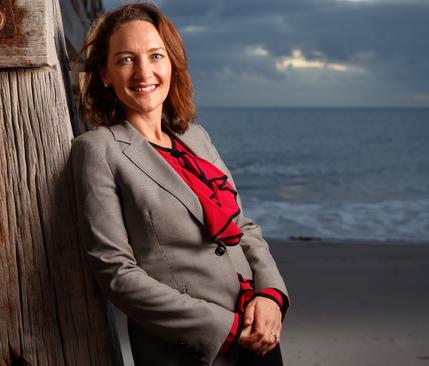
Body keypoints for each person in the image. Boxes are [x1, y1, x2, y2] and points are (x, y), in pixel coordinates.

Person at [72, 3, 289, 365]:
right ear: (106, 75)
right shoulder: (97, 149)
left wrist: (271, 296)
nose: (144, 71)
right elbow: (115, 271)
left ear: (171, 63)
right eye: (125, 59)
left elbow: (241, 226)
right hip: (192, 349)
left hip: (260, 333)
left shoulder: (196, 138)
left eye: (155, 55)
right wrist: (224, 328)